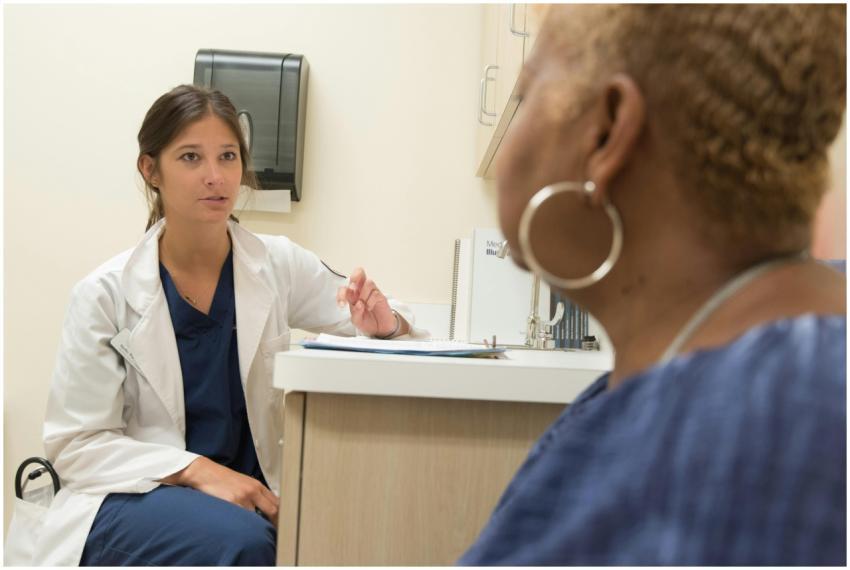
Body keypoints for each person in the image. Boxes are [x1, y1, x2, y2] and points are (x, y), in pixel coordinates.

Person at [459, 4, 845, 565]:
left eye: (523, 95)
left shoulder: (761, 437)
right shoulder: (741, 368)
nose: (511, 133)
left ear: (608, 130)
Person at [33, 84, 425, 566]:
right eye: (191, 158)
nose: (215, 177)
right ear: (150, 169)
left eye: (228, 156)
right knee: (244, 542)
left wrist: (386, 324)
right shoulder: (105, 293)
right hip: (133, 494)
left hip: (248, 497)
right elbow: (76, 447)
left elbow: (381, 320)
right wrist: (195, 470)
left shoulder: (275, 265)